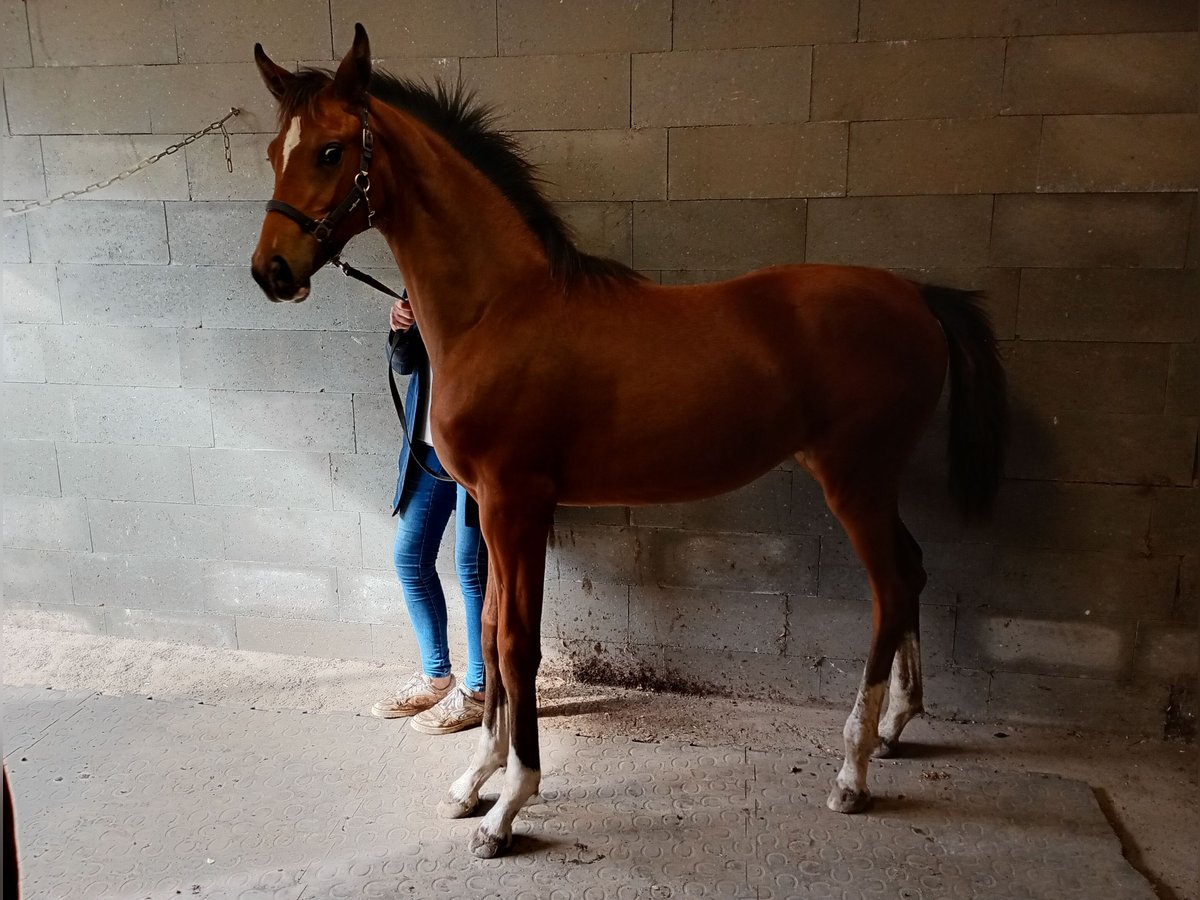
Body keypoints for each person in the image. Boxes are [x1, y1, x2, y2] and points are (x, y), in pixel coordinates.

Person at [370, 293, 488, 734]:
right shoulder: (424, 281)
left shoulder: (491, 283)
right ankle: (437, 677)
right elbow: (403, 366)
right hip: (428, 450)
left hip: (478, 450)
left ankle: (480, 690)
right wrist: (401, 326)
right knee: (410, 560)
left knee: (471, 568)